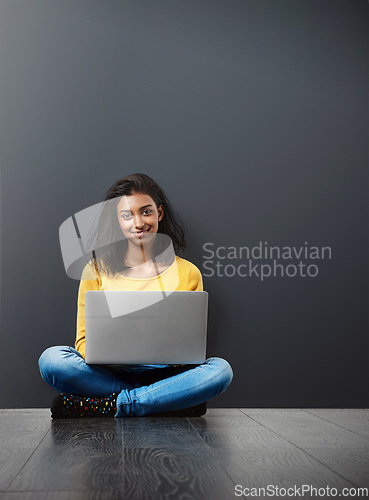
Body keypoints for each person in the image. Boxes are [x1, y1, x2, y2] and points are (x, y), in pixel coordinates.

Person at [39, 173, 233, 418]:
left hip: (165, 373)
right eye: (127, 215)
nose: (138, 223)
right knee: (52, 360)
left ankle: (113, 404)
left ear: (159, 214)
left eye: (146, 212)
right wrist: (110, 356)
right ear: (118, 221)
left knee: (221, 371)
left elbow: (190, 350)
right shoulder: (96, 270)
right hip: (108, 373)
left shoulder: (187, 272)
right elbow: (82, 343)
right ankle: (167, 400)